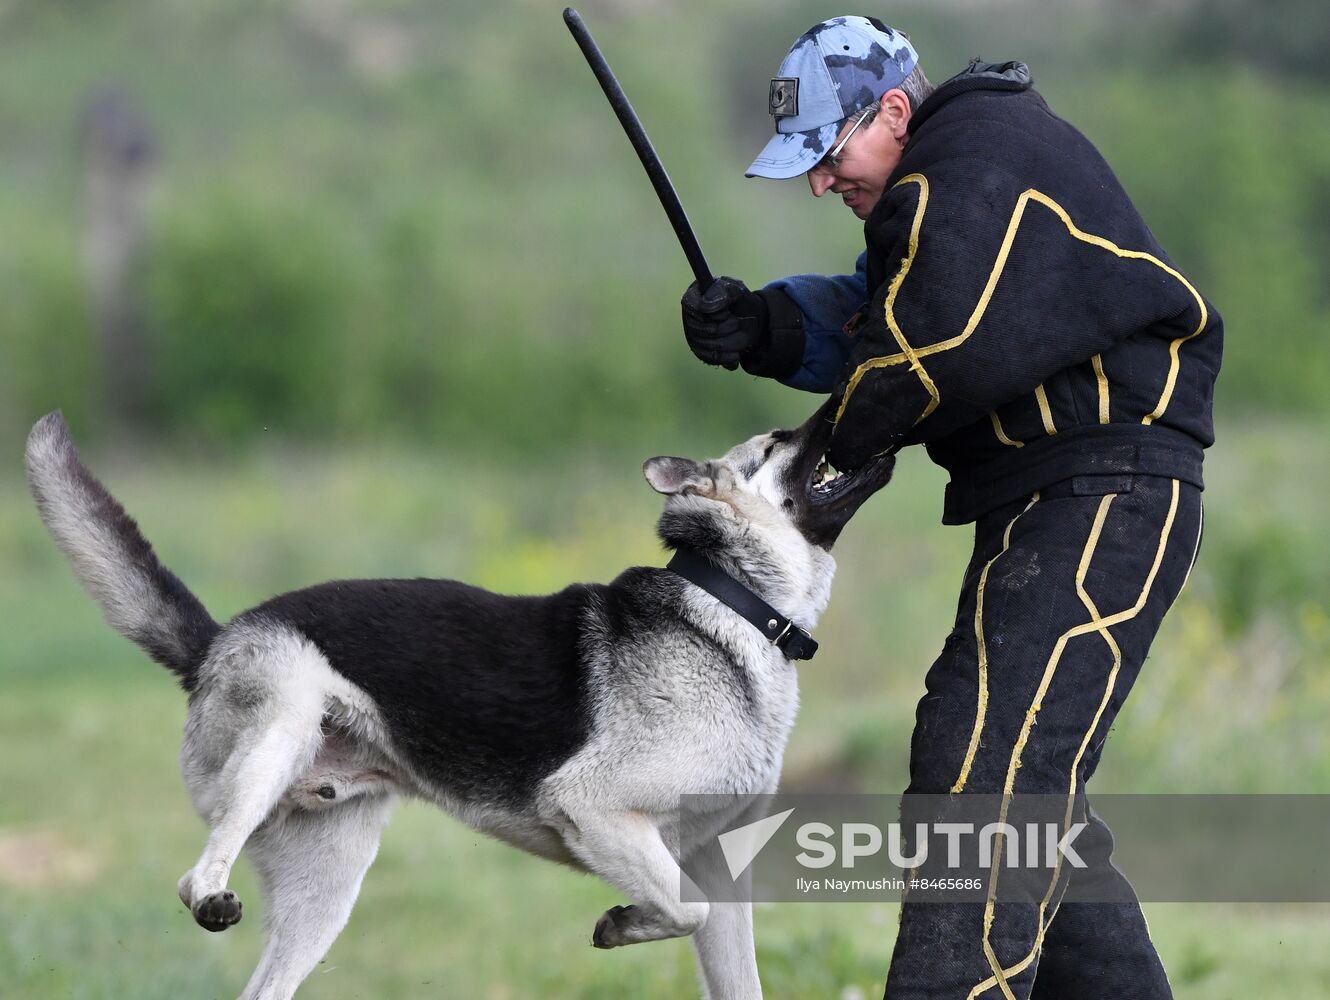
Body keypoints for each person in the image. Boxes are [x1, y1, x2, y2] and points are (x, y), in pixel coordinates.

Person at [680, 15, 1222, 1000]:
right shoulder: (953, 183)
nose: (820, 182)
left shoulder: (972, 164)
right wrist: (764, 324)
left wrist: (812, 465)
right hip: (1056, 496)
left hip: (1108, 488)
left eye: (828, 154)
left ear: (894, 109)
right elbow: (881, 310)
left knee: (981, 782)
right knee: (1014, 787)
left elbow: (932, 346)